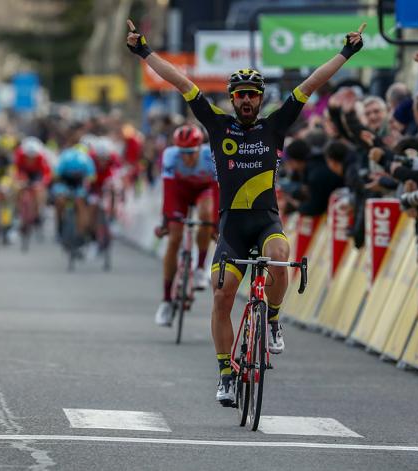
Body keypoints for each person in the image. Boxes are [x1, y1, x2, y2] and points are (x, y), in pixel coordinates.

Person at [127, 18, 365, 406]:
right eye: (241, 95)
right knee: (222, 298)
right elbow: (180, 81)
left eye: (254, 94)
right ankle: (225, 373)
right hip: (232, 226)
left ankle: (271, 319)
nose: (248, 101)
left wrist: (346, 52)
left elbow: (312, 83)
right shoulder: (217, 126)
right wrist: (143, 50)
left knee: (280, 257)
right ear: (232, 99)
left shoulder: (276, 125)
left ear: (261, 97)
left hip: (266, 221)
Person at [154, 124, 218, 326]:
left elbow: (218, 192)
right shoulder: (170, 156)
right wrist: (166, 221)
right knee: (174, 239)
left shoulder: (211, 156)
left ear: (200, 147)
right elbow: (168, 191)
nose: (186, 157)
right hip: (180, 194)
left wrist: (215, 224)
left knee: (206, 214)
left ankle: (200, 268)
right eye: (183, 152)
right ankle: (165, 300)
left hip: (203, 191)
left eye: (190, 152)